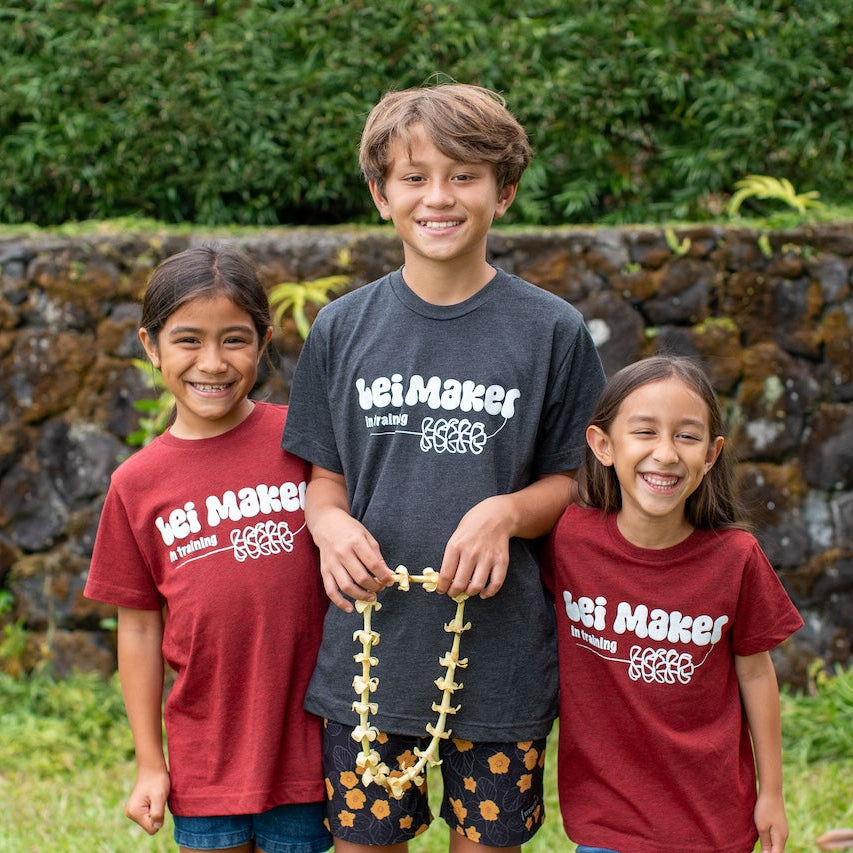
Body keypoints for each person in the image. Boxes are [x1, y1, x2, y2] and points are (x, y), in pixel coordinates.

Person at [281, 83, 606, 853]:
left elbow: (578, 479)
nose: (439, 197)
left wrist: (506, 512)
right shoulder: (342, 327)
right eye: (415, 176)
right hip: (370, 652)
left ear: (505, 191)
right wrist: (326, 524)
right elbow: (323, 472)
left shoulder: (551, 331)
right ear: (380, 194)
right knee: (363, 842)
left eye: (464, 175)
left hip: (497, 659)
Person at [85, 245, 332, 853]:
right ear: (151, 346)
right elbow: (139, 631)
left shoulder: (301, 440)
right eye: (188, 340)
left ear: (265, 340)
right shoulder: (136, 484)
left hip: (309, 748)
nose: (213, 363)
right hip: (205, 758)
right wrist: (150, 762)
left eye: (235, 340)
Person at [543, 355, 804, 853]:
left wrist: (772, 794)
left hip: (713, 820)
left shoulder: (736, 558)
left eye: (686, 436)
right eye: (645, 432)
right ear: (602, 445)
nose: (665, 454)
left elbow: (755, 673)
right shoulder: (569, 540)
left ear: (710, 454)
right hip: (608, 820)